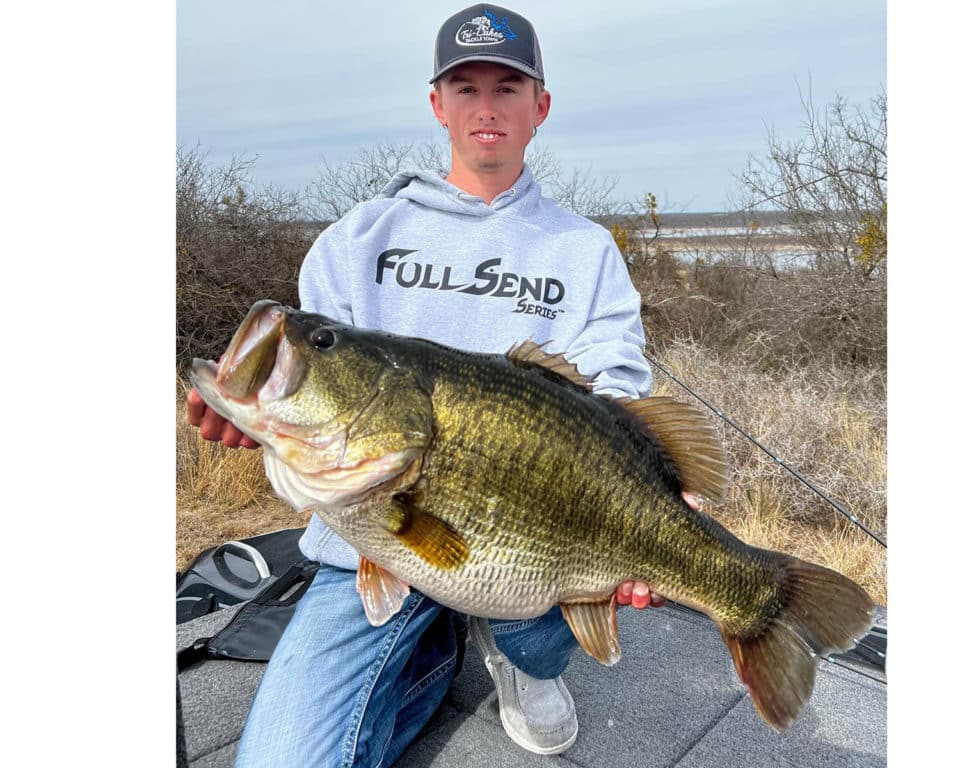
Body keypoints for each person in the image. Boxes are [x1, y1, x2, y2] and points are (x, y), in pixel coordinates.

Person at [187, 5, 697, 766]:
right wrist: (266, 433)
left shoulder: (584, 250)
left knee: (567, 592)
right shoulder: (357, 239)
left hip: (536, 543)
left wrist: (663, 490)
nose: (485, 107)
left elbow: (616, 385)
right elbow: (313, 447)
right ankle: (428, 658)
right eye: (464, 87)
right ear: (437, 104)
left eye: (507, 87)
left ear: (540, 107)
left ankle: (518, 657)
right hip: (364, 543)